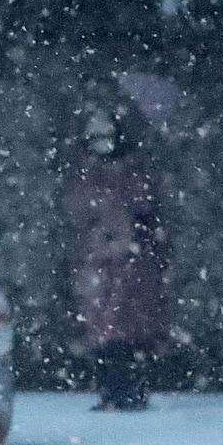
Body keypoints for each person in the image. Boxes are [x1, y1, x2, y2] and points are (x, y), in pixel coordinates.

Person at [62, 100, 165, 411]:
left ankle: (129, 392)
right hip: (102, 264)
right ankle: (111, 390)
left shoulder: (132, 174)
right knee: (102, 330)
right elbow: (80, 211)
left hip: (128, 264)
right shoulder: (91, 176)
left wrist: (125, 238)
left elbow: (141, 215)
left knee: (123, 330)